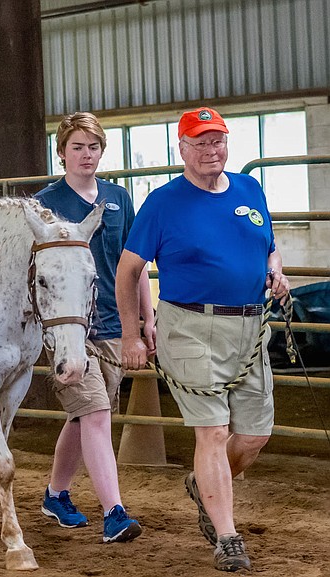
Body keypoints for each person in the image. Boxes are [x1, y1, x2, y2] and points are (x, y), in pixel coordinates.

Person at [116, 107, 290, 572]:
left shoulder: (251, 189)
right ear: (182, 149)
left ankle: (203, 484)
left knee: (253, 436)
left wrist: (277, 271)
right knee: (211, 431)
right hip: (190, 326)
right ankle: (228, 536)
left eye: (218, 141)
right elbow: (129, 269)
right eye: (200, 142)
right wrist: (133, 332)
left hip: (251, 327)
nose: (211, 150)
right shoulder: (162, 203)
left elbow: (268, 246)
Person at [34, 112, 155, 543]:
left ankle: (55, 493)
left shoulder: (119, 197)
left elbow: (134, 262)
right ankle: (114, 513)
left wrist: (145, 318)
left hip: (112, 322)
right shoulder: (44, 204)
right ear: (62, 152)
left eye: (93, 147)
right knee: (98, 414)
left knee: (84, 417)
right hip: (70, 329)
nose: (86, 155)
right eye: (77, 147)